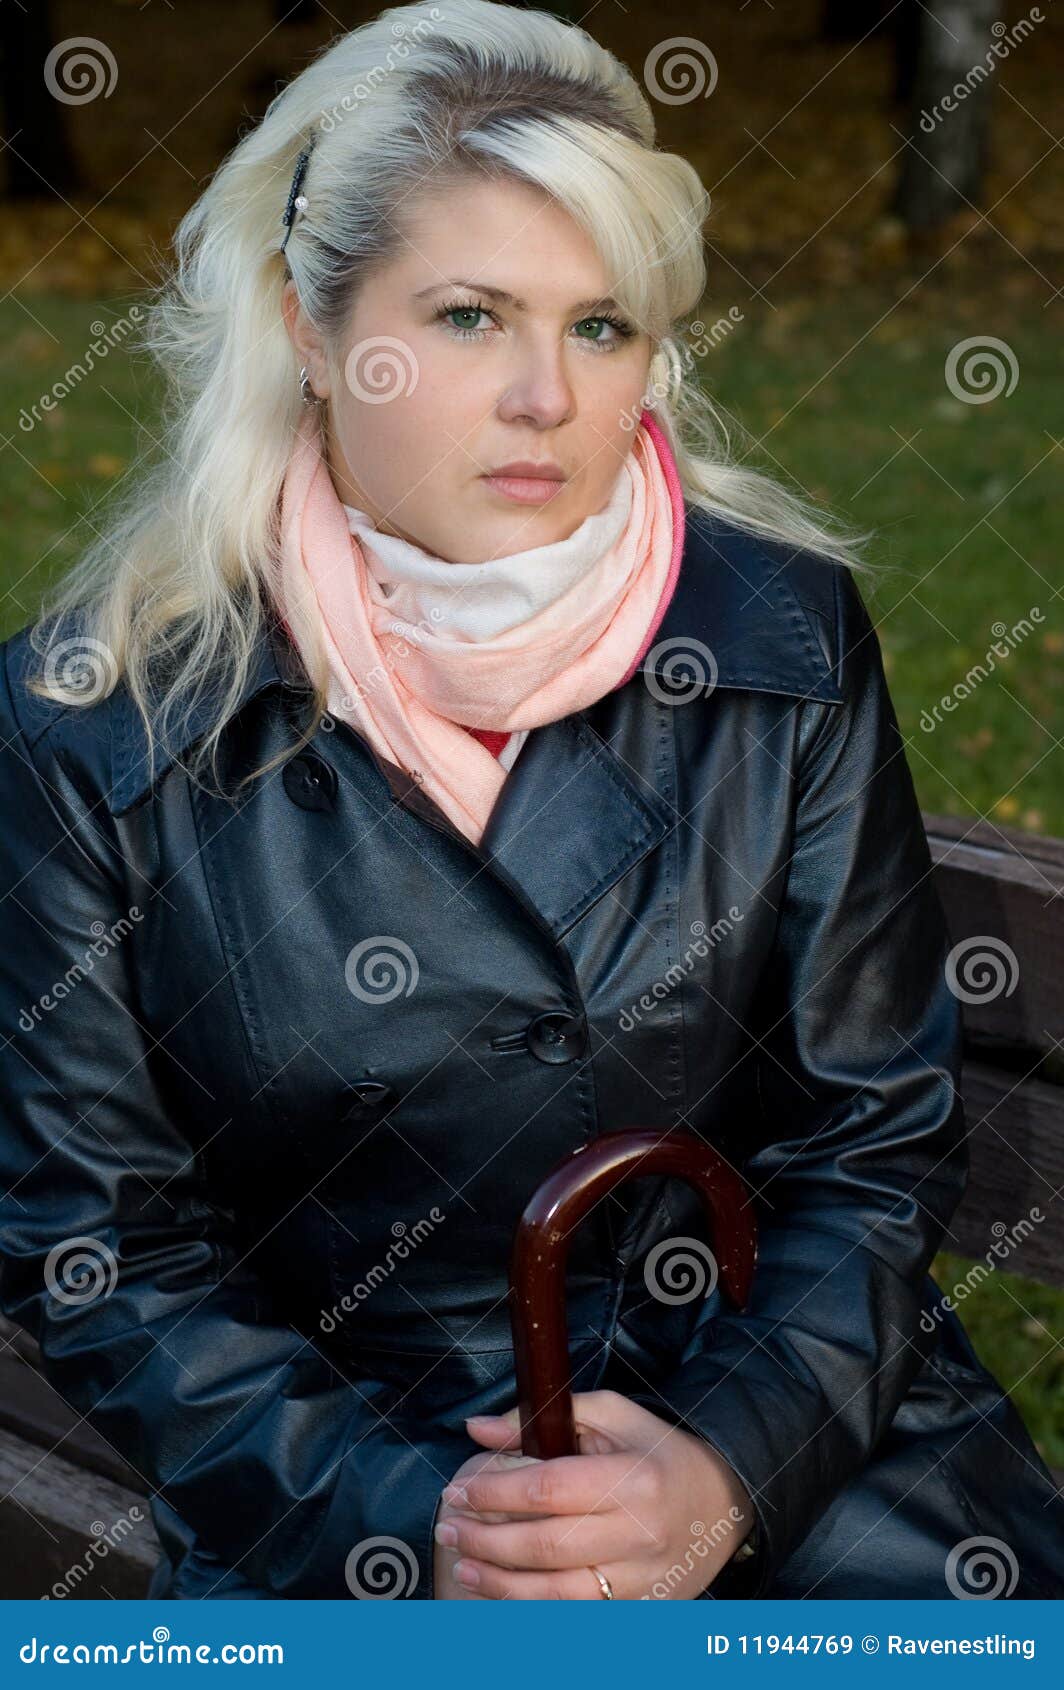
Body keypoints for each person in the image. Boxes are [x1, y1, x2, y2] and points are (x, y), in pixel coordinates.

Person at [0, 0, 1061, 1603]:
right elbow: (105, 1252)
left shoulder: (777, 643)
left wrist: (723, 1469)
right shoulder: (102, 721)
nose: (547, 400)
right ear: (308, 322)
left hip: (808, 1452)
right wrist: (419, 1522)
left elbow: (875, 1142)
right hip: (344, 1475)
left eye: (599, 325)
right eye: (471, 316)